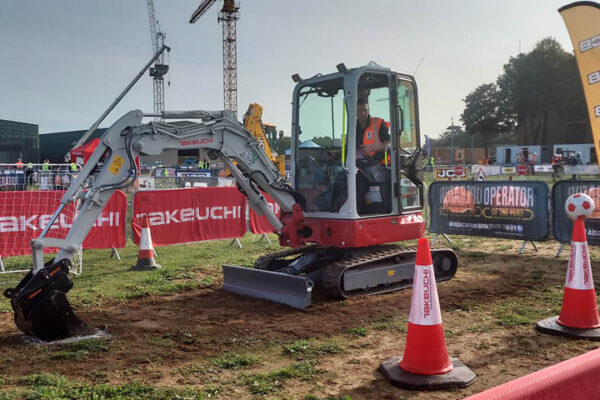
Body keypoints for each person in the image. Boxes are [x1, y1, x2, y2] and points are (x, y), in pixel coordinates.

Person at [355, 98, 390, 214]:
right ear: (355, 112)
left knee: (359, 178)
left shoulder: (378, 123)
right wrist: (336, 154)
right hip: (362, 163)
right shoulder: (354, 127)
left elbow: (389, 143)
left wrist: (372, 148)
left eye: (365, 110)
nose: (363, 113)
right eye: (360, 110)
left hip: (380, 163)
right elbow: (352, 147)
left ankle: (359, 211)